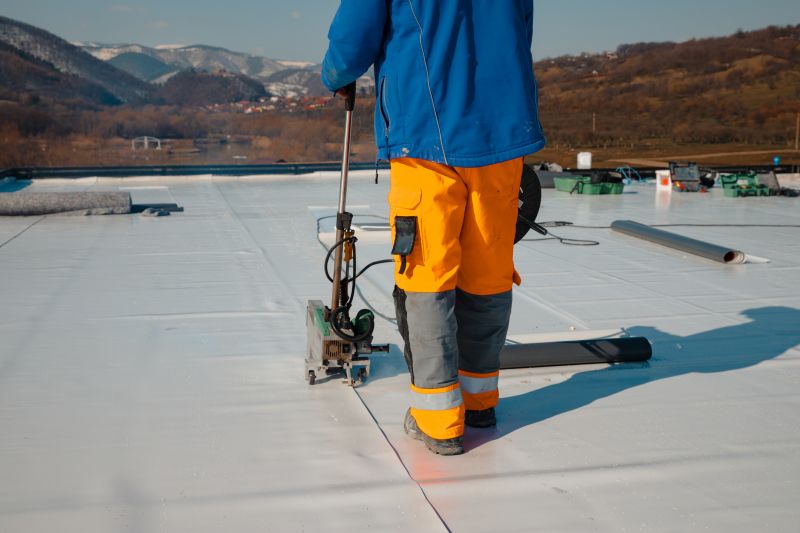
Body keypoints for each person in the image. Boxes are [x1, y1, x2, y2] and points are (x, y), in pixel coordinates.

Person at [321, 0, 545, 456]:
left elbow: (353, 37)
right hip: (503, 131)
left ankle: (439, 420)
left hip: (427, 131)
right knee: (488, 271)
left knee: (427, 274)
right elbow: (521, 28)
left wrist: (335, 74)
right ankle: (479, 400)